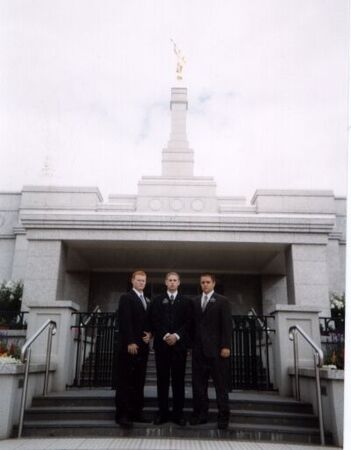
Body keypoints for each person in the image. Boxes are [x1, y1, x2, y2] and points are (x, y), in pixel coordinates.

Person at [190, 273, 232, 430]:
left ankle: (223, 417)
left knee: (221, 386)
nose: (205, 285)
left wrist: (226, 346)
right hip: (198, 352)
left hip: (217, 352)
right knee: (199, 386)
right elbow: (192, 326)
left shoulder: (222, 301)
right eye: (202, 282)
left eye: (208, 282)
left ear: (213, 284)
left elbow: (227, 326)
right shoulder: (194, 302)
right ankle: (201, 415)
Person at [151, 272, 192, 426]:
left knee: (178, 381)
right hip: (162, 346)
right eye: (170, 280)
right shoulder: (156, 301)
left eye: (175, 280)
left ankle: (178, 414)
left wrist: (177, 336)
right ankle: (162, 414)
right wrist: (166, 335)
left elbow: (189, 322)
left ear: (179, 282)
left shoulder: (186, 301)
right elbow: (154, 320)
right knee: (162, 381)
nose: (173, 283)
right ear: (165, 282)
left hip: (179, 347)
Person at [115, 270, 152, 428]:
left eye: (143, 280)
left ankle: (137, 412)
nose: (141, 283)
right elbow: (125, 321)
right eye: (138, 280)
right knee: (125, 381)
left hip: (142, 348)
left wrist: (150, 334)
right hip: (129, 347)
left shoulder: (147, 300)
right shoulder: (126, 298)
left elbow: (149, 322)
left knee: (139, 381)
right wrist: (130, 341)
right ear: (132, 281)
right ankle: (122, 415)